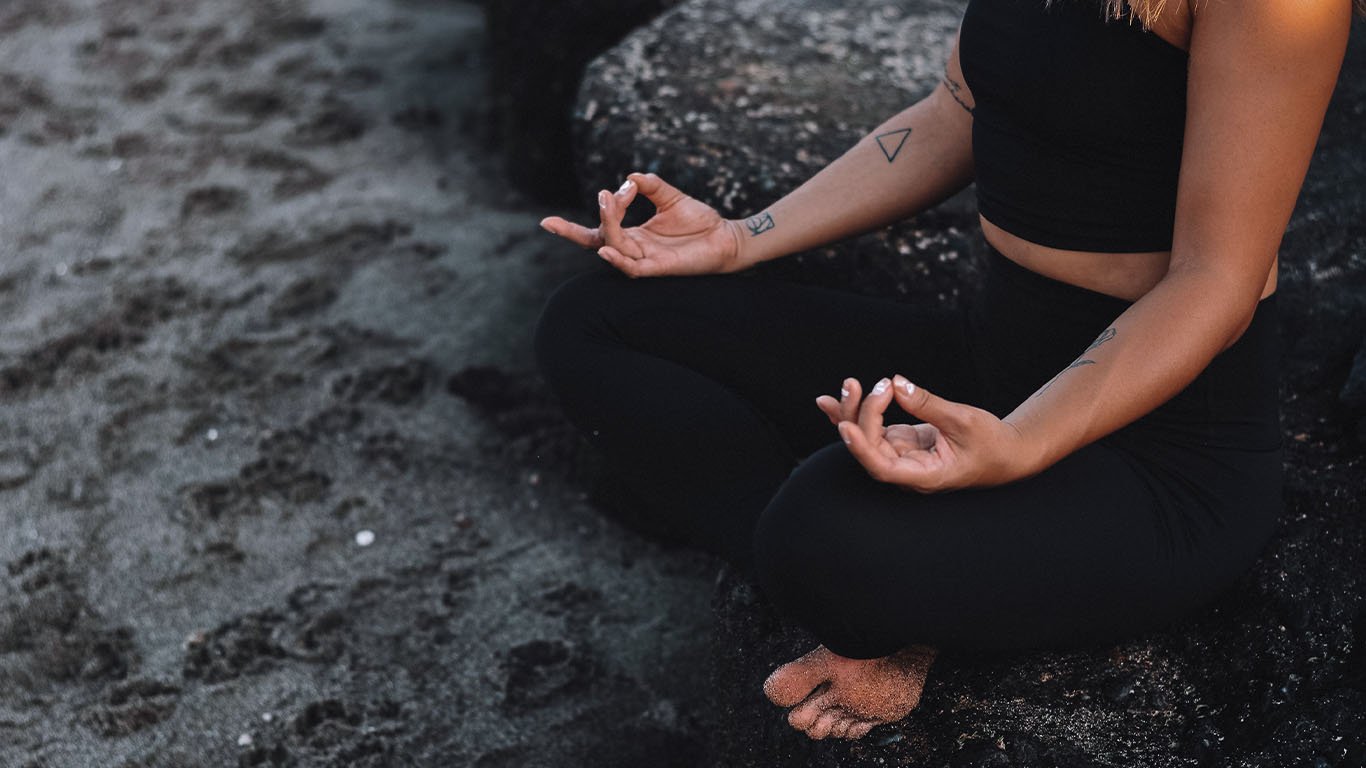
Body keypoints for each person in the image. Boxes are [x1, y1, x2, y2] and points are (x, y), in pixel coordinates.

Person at [534, 0, 1357, 743]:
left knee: (819, 531)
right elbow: (954, 113)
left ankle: (886, 591)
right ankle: (892, 591)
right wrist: (742, 238)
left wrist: (1022, 442)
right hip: (989, 360)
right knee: (598, 323)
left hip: (1160, 450)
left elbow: (1218, 280)